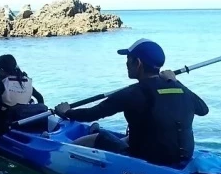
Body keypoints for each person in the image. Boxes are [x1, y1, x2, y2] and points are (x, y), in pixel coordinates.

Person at [53, 38, 209, 167]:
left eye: (128, 59)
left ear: (138, 63)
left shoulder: (132, 93)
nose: (126, 63)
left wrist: (66, 111)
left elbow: (90, 114)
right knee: (132, 135)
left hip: (149, 160)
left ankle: (61, 155)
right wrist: (175, 81)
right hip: (183, 158)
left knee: (97, 138)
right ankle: (96, 132)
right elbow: (203, 109)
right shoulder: (179, 88)